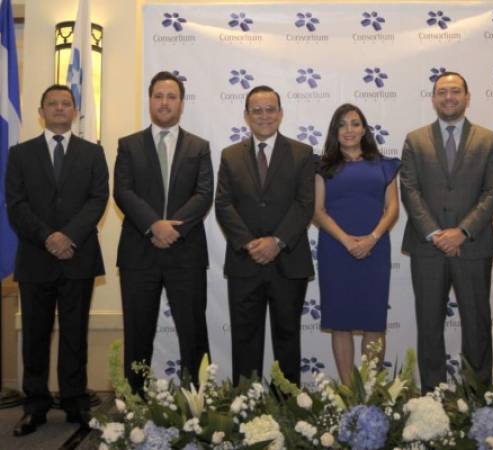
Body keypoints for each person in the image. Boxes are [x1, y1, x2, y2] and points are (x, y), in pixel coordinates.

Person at [5, 85, 108, 436]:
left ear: (75, 110)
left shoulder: (93, 153)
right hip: (36, 258)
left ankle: (75, 402)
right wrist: (49, 237)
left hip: (78, 257)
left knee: (74, 335)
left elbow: (98, 199)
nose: (60, 108)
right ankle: (34, 406)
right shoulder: (20, 154)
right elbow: (16, 204)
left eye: (66, 103)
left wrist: (69, 237)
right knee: (35, 335)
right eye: (53, 103)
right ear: (41, 111)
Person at [400, 72, 493, 393]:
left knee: (476, 325)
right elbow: (410, 190)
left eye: (455, 91)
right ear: (433, 98)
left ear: (467, 97)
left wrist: (462, 232)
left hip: (472, 246)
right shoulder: (414, 140)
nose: (448, 97)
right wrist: (435, 233)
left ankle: (477, 396)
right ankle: (433, 399)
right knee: (429, 325)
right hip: (426, 248)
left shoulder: (487, 140)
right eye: (442, 92)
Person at [114, 71, 213, 394]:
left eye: (171, 96)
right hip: (139, 254)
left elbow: (203, 195)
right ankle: (135, 403)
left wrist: (172, 229)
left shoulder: (199, 147)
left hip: (186, 254)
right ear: (150, 100)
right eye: (158, 96)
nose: (165, 102)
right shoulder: (128, 145)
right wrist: (154, 225)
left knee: (193, 332)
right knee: (137, 333)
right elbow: (123, 192)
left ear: (181, 103)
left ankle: (197, 403)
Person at [215, 85, 315, 386]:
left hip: (288, 262)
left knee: (287, 338)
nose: (264, 116)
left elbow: (305, 203)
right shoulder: (230, 155)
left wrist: (277, 241)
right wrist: (249, 243)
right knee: (245, 339)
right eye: (256, 110)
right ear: (246, 116)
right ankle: (246, 409)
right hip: (245, 263)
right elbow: (223, 204)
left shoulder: (302, 153)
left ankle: (288, 408)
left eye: (270, 109)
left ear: (281, 113)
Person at [313, 104, 400, 386]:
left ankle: (371, 390)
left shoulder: (385, 165)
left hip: (375, 251)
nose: (349, 130)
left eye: (354, 123)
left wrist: (372, 238)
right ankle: (349, 394)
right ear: (334, 132)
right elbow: (318, 211)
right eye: (342, 125)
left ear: (364, 128)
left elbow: (392, 209)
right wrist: (347, 241)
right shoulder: (322, 166)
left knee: (374, 322)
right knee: (341, 323)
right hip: (336, 251)